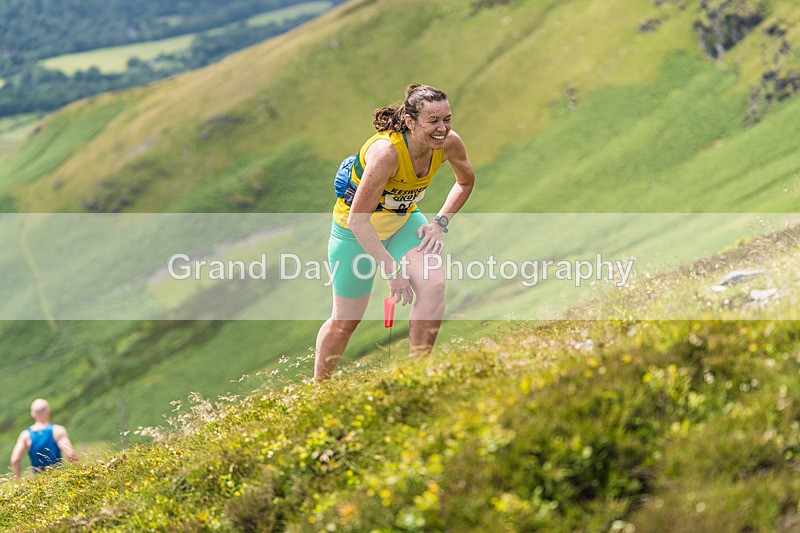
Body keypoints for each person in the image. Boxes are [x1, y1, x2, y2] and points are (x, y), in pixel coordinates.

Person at [314, 84, 476, 381]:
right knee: (345, 322)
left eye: (447, 119)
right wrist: (391, 268)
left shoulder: (450, 143)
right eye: (433, 121)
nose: (442, 129)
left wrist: (439, 223)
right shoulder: (387, 153)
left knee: (434, 285)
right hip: (355, 234)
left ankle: (417, 373)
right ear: (411, 122)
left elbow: (465, 182)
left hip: (403, 222)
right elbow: (358, 220)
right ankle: (317, 387)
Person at [10, 398, 78, 477]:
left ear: (32, 414)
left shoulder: (25, 435)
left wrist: (18, 482)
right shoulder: (58, 430)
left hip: (39, 481)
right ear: (49, 411)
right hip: (59, 478)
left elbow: (15, 460)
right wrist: (76, 475)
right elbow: (71, 454)